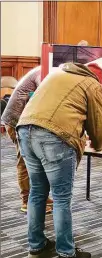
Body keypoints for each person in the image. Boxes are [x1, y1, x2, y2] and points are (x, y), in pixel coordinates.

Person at [16, 62, 102, 258]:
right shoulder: (92, 84)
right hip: (53, 138)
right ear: (98, 77)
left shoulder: (55, 75)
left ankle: (36, 246)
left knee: (37, 192)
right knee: (61, 197)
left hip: (25, 131)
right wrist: (98, 145)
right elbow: (97, 126)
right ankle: (66, 252)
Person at [1, 67, 53, 213]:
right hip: (16, 121)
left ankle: (39, 196)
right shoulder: (42, 72)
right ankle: (26, 200)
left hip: (24, 120)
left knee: (35, 160)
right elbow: (45, 93)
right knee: (24, 161)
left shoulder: (43, 70)